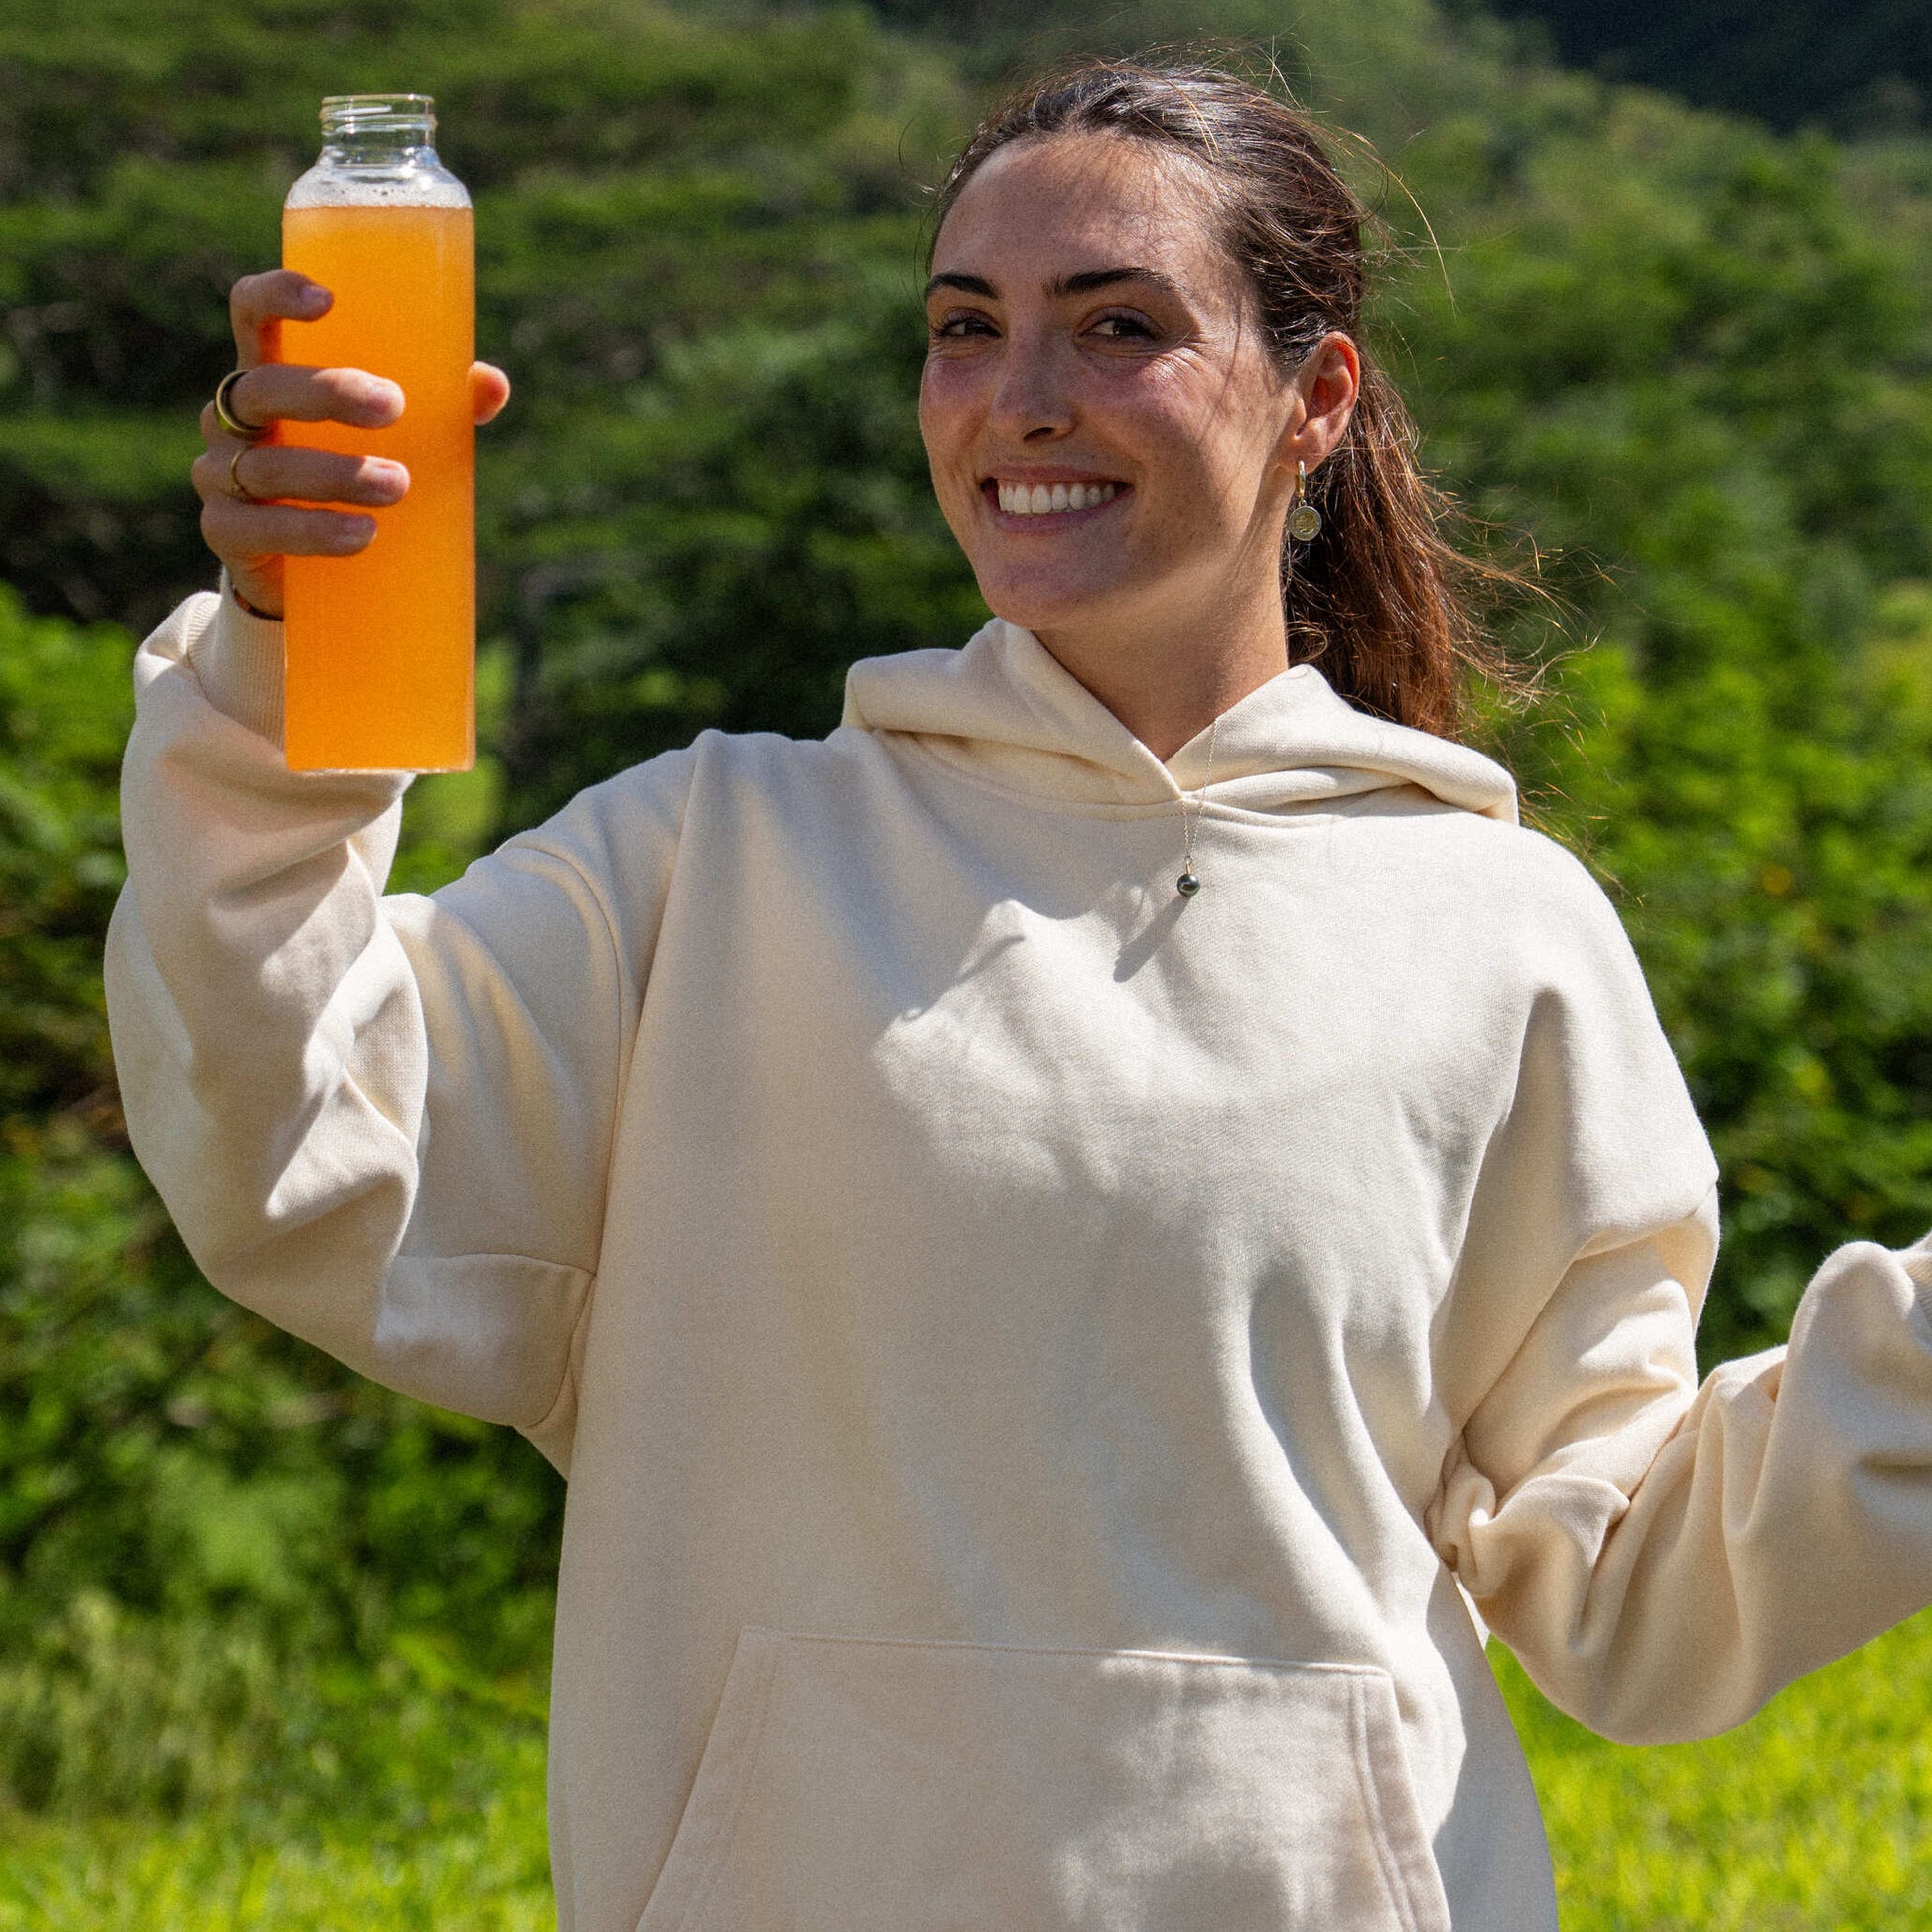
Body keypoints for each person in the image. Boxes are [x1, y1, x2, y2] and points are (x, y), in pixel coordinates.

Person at [106, 58, 1932, 1932]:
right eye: (964, 329)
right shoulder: (712, 861)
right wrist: (285, 657)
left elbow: (1625, 1588)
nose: (1019, 398)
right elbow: (301, 1146)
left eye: (1117, 324)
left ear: (1317, 399)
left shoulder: (1497, 926)